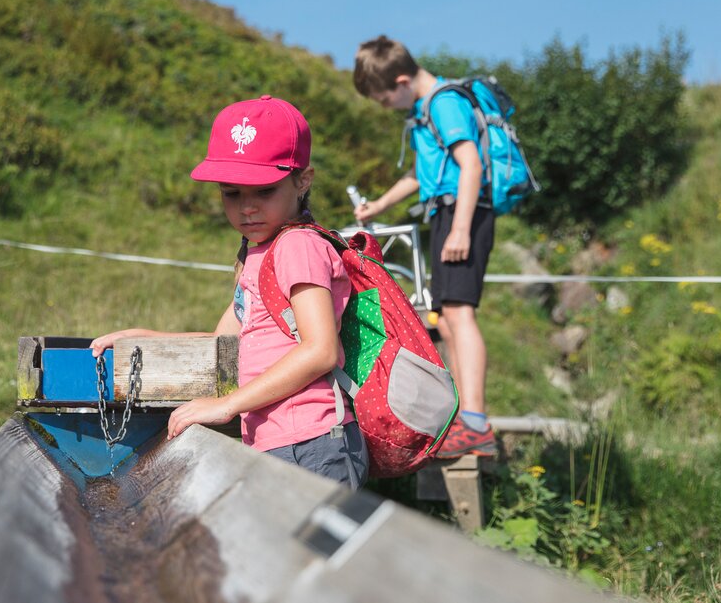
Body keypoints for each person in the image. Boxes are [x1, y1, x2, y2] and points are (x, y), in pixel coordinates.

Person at [90, 95, 369, 488]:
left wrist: (227, 405)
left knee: (314, 552)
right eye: (231, 193)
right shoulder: (258, 252)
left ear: (302, 181)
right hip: (279, 441)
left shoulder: (298, 246)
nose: (247, 208)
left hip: (314, 442)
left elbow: (320, 350)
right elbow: (226, 342)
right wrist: (148, 338)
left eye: (265, 191)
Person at [351, 35, 497, 458]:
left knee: (459, 315)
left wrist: (461, 229)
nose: (385, 107)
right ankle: (467, 417)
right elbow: (420, 175)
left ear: (400, 80)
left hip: (463, 214)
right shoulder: (423, 112)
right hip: (447, 213)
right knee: (447, 319)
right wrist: (379, 205)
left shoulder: (441, 103)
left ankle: (475, 424)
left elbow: (470, 164)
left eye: (383, 99)